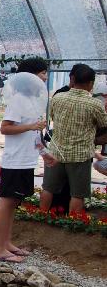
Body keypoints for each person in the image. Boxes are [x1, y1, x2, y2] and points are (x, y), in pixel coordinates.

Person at [0, 58, 50, 263]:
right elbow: (5, 128)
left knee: (14, 203)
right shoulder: (18, 100)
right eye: (42, 73)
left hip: (26, 161)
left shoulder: (32, 102)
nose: (45, 77)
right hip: (14, 162)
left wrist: (44, 152)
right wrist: (30, 126)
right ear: (29, 77)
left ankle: (7, 243)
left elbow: (34, 135)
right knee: (6, 202)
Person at [39, 64, 107, 215]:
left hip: (56, 152)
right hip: (80, 155)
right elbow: (104, 125)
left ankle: (40, 219)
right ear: (91, 83)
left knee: (48, 188)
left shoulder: (57, 98)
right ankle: (72, 224)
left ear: (73, 79)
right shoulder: (95, 104)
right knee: (77, 194)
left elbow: (53, 118)